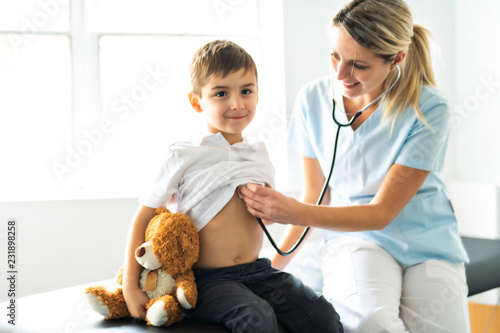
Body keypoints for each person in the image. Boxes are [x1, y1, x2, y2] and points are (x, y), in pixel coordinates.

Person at [239, 1, 471, 332]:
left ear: (396, 60)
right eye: (335, 56)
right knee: (370, 321)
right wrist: (268, 271)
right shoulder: (313, 99)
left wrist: (291, 211)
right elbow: (316, 195)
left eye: (358, 65)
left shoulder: (428, 108)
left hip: (427, 242)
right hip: (356, 239)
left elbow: (381, 213)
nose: (339, 74)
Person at [121, 40, 343, 333]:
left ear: (257, 94)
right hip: (207, 280)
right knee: (257, 317)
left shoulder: (258, 154)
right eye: (221, 93)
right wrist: (130, 286)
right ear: (197, 101)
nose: (237, 103)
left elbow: (262, 216)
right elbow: (144, 214)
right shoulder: (184, 154)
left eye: (246, 91)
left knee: (321, 316)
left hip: (259, 271)